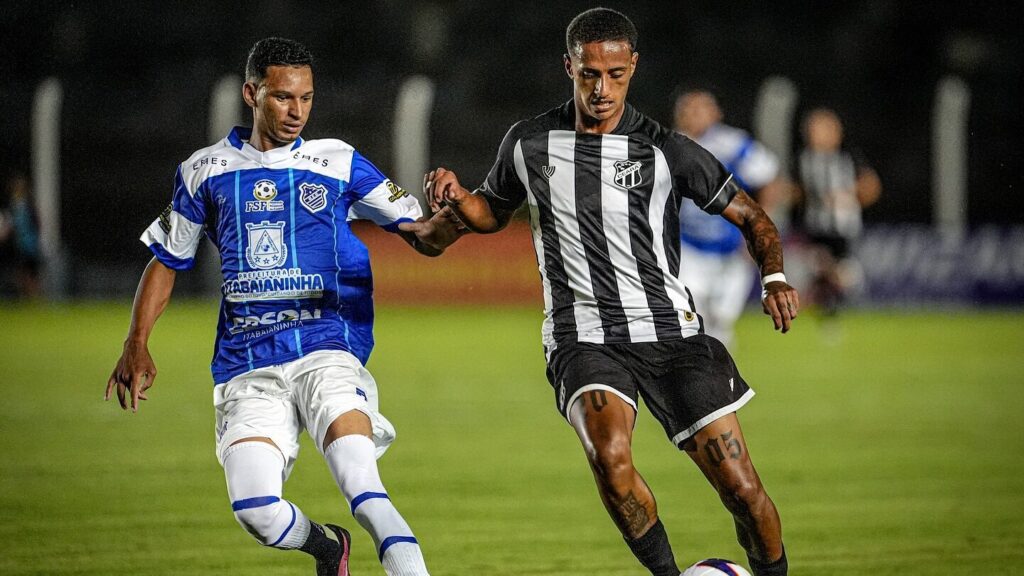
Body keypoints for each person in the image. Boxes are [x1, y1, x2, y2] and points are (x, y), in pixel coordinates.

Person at [407, 8, 796, 576]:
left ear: (633, 66)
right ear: (569, 67)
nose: (602, 89)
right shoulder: (530, 143)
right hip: (582, 337)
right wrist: (457, 202)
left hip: (672, 335)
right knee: (611, 461)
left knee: (741, 488)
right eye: (589, 74)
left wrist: (774, 276)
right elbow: (489, 212)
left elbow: (753, 216)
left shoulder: (667, 149)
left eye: (615, 74)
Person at [105, 37, 463, 576]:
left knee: (362, 484)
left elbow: (423, 236)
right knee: (256, 511)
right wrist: (136, 342)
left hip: (327, 349)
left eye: (306, 98)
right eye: (283, 97)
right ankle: (326, 547)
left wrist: (451, 216)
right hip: (248, 362)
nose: (297, 111)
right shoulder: (204, 170)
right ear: (252, 94)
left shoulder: (337, 161)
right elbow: (167, 259)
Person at [673, 90, 787, 347]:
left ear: (715, 113)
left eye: (699, 109)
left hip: (731, 247)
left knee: (721, 320)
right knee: (689, 316)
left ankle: (719, 368)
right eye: (687, 109)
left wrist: (757, 227)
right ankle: (699, 367)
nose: (692, 115)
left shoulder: (734, 144)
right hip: (687, 246)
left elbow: (770, 181)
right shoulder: (668, 144)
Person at [794, 108, 881, 321]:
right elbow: (798, 191)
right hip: (815, 226)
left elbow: (872, 186)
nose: (815, 134)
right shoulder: (802, 159)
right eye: (812, 129)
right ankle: (826, 306)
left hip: (843, 228)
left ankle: (827, 298)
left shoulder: (849, 157)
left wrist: (848, 197)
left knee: (841, 273)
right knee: (819, 267)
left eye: (821, 129)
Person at [0, 171, 42, 299]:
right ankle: (23, 297)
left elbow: (37, 223)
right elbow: (8, 225)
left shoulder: (29, 205)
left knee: (31, 273)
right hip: (16, 246)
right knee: (19, 272)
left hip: (30, 245)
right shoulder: (10, 207)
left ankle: (34, 297)